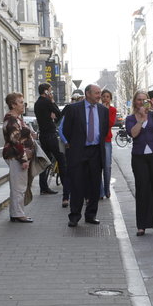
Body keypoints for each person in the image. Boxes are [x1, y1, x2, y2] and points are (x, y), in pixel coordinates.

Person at [62, 84, 109, 227]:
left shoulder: (103, 110)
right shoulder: (73, 109)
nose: (99, 95)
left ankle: (91, 215)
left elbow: (104, 129)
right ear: (87, 93)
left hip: (95, 151)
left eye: (99, 93)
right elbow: (66, 130)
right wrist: (74, 145)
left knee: (95, 185)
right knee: (77, 184)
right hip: (79, 151)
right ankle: (74, 216)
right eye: (96, 93)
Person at [125, 90, 153, 236]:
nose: (141, 102)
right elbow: (134, 134)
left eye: (145, 100)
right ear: (134, 102)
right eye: (139, 100)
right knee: (142, 189)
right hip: (139, 156)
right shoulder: (130, 118)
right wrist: (141, 120)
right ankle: (142, 225)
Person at [2, 92, 35, 223]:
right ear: (13, 105)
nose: (23, 105)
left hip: (18, 156)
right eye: (21, 102)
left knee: (19, 185)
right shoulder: (11, 120)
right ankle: (18, 214)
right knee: (19, 186)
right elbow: (15, 141)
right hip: (16, 156)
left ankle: (16, 213)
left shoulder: (17, 118)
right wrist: (23, 158)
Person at [34, 83, 69, 206]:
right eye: (50, 90)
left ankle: (43, 187)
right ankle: (67, 188)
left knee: (46, 161)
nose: (52, 92)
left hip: (43, 135)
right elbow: (59, 114)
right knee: (62, 160)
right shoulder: (47, 101)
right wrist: (52, 101)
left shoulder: (37, 103)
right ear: (46, 92)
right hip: (50, 135)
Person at [100, 89, 117, 200]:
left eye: (108, 96)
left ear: (110, 99)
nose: (105, 98)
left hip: (106, 140)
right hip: (97, 141)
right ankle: (100, 192)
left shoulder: (112, 110)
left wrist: (106, 112)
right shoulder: (97, 108)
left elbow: (110, 123)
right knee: (97, 167)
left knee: (107, 166)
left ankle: (107, 190)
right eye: (104, 96)